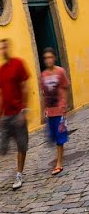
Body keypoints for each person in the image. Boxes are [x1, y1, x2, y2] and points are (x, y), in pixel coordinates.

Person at [0, 38, 30, 189]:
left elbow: (25, 87)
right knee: (2, 149)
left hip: (18, 113)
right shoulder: (0, 70)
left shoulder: (18, 63)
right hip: (6, 115)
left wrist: (24, 110)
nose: (2, 51)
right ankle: (14, 168)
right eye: (0, 49)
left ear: (8, 48)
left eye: (4, 48)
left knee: (22, 146)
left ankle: (19, 174)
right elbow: (1, 95)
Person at [40, 47, 70, 175]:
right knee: (52, 137)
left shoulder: (60, 71)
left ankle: (59, 163)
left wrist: (65, 105)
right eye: (46, 58)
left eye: (50, 57)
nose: (48, 60)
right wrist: (43, 111)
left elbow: (66, 87)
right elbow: (43, 95)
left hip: (60, 111)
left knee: (59, 138)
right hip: (50, 112)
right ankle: (58, 157)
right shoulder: (43, 75)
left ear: (54, 58)